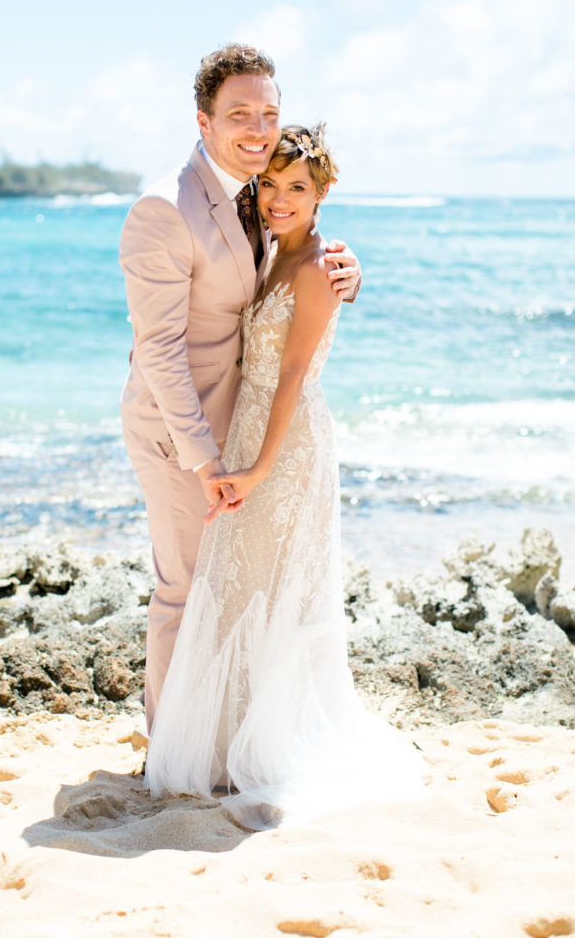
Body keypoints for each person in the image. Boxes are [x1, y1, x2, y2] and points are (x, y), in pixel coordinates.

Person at [145, 124, 426, 830]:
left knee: (276, 593)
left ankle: (268, 748)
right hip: (250, 430)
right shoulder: (276, 250)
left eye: (295, 187)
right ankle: (235, 744)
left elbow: (294, 375)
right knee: (244, 589)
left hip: (286, 442)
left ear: (322, 191)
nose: (276, 198)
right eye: (268, 184)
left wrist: (261, 466)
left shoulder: (314, 267)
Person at [120, 44, 361, 732]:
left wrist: (345, 273)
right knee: (186, 589)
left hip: (244, 425)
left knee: (236, 589)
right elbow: (159, 352)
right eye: (239, 114)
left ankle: (223, 739)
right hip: (177, 430)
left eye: (268, 112)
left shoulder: (256, 195)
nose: (257, 127)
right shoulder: (163, 209)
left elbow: (293, 266)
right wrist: (205, 459)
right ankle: (169, 757)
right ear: (204, 122)